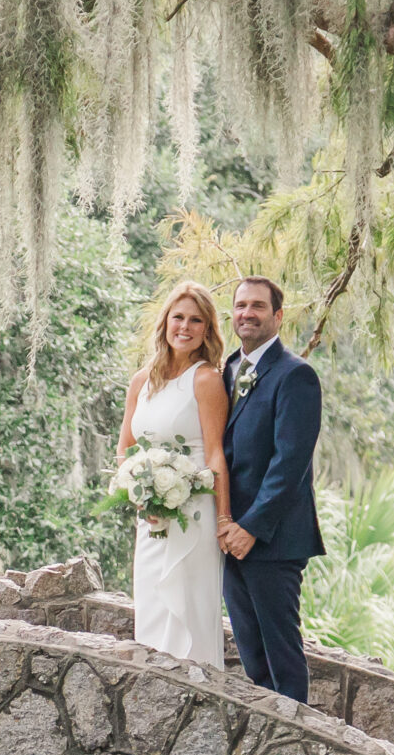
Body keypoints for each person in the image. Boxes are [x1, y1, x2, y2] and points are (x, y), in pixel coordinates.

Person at [216, 276, 325, 702]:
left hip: (273, 539)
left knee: (282, 655)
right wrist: (224, 523)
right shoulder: (227, 369)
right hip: (229, 538)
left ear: (277, 316)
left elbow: (289, 464)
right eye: (241, 306)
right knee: (251, 655)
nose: (247, 314)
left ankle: (296, 743)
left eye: (258, 306)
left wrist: (251, 527)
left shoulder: (296, 375)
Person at [117, 281, 231, 665]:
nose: (185, 326)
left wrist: (223, 520)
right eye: (178, 317)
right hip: (150, 518)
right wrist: (143, 496)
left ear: (206, 329)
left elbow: (215, 454)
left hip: (194, 515)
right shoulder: (141, 381)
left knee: (190, 608)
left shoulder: (206, 380)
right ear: (165, 322)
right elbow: (125, 450)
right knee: (152, 603)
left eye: (196, 320)